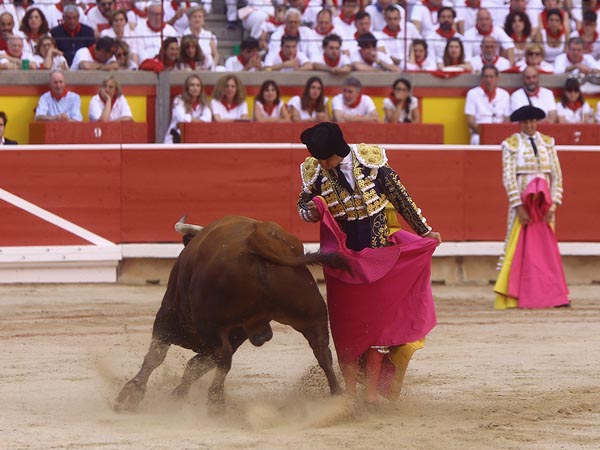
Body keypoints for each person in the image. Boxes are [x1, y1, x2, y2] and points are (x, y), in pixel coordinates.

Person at [297, 122, 442, 402]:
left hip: (378, 259)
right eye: (320, 160)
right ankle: (351, 393)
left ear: (339, 151)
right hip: (343, 264)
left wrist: (423, 230)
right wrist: (310, 212)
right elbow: (302, 203)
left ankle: (372, 394)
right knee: (347, 328)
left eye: (327, 159)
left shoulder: (372, 164)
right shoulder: (316, 172)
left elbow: (401, 199)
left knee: (377, 329)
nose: (324, 165)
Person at [494, 105, 569, 309]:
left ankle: (552, 293)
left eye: (533, 121)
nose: (530, 125)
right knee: (516, 244)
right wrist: (518, 206)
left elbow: (557, 175)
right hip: (522, 204)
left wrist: (553, 204)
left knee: (546, 249)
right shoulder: (510, 145)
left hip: (544, 206)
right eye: (526, 122)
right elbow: (508, 177)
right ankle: (513, 294)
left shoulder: (548, 143)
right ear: (520, 124)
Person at [464, 64, 511, 145]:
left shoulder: (504, 94)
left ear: (497, 78)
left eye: (491, 76)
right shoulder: (472, 93)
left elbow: (507, 119)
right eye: (486, 76)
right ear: (482, 78)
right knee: (476, 140)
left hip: (500, 133)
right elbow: (470, 120)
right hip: (479, 133)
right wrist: (486, 133)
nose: (488, 80)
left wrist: (498, 134)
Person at [164, 74, 212, 143]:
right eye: (192, 85)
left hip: (196, 140)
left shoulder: (204, 102)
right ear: (187, 87)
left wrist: (191, 119)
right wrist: (199, 121)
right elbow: (183, 119)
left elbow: (207, 120)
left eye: (198, 85)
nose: (195, 88)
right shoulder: (179, 100)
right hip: (175, 141)